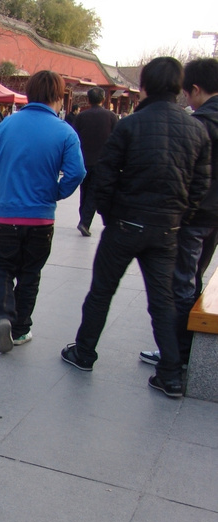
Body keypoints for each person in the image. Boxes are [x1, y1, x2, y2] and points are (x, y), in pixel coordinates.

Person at [61, 57, 210, 399]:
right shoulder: (196, 129)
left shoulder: (130, 125)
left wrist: (112, 218)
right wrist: (178, 218)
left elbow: (105, 177)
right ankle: (170, 375)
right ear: (180, 89)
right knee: (163, 301)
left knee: (101, 291)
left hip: (125, 225)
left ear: (144, 87)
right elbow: (199, 186)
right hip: (167, 230)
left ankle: (84, 353)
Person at [0, 70, 85, 353]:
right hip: (41, 218)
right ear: (58, 97)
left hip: (6, 215)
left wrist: (3, 191)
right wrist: (55, 193)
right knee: (30, 273)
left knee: (2, 269)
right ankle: (20, 329)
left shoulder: (7, 125)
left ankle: (2, 315)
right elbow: (77, 172)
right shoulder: (65, 132)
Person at [139, 57, 218, 370]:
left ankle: (178, 354)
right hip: (214, 218)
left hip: (194, 217)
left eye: (187, 93)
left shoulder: (199, 125)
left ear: (195, 89)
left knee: (180, 284)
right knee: (194, 278)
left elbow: (184, 175)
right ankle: (182, 349)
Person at [74, 86, 119, 236]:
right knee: (94, 192)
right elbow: (116, 139)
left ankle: (83, 219)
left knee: (84, 191)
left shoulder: (81, 117)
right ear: (103, 99)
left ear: (88, 99)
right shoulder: (111, 117)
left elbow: (75, 138)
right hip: (102, 161)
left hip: (84, 160)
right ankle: (85, 222)